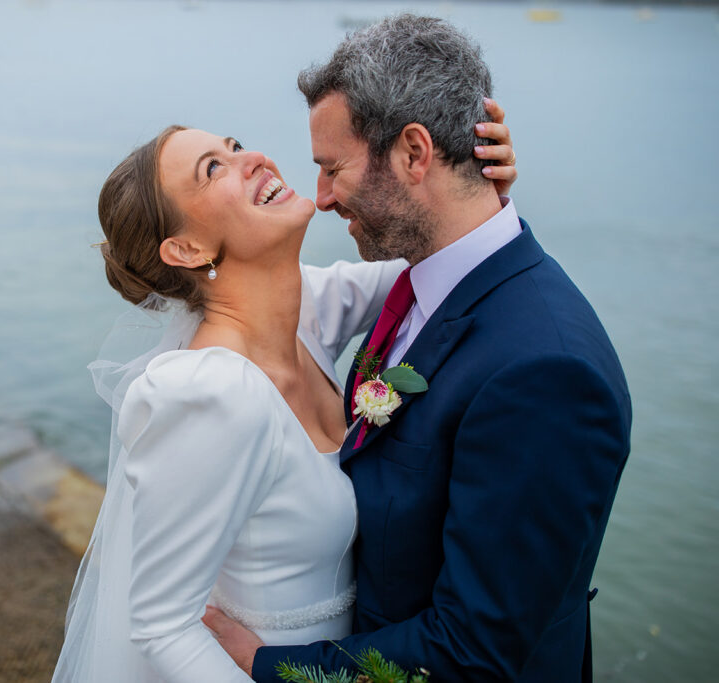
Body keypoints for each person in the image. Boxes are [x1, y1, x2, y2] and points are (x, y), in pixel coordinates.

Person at [202, 14, 632, 683]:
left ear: (413, 153)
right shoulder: (417, 284)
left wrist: (269, 664)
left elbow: (471, 654)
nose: (319, 199)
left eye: (332, 168)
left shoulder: (547, 371)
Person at [50, 103, 517, 678]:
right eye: (212, 169)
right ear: (188, 250)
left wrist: (477, 187)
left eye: (235, 143)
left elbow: (444, 258)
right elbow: (160, 628)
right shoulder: (207, 393)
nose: (252, 159)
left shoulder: (307, 310)